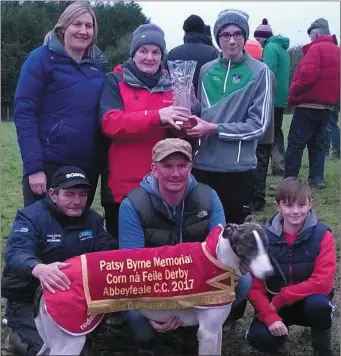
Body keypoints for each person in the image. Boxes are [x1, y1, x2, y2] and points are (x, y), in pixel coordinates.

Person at [119, 138, 252, 355]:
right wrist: (155, 313)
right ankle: (152, 340)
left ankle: (203, 325)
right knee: (137, 319)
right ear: (154, 168)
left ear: (190, 167)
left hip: (200, 280)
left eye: (182, 166)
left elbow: (221, 249)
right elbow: (132, 265)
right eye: (167, 166)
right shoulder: (132, 204)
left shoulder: (209, 197)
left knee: (243, 279)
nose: (175, 173)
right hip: (155, 283)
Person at [1, 166, 117, 356]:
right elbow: (16, 253)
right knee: (58, 350)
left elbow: (109, 254)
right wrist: (39, 269)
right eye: (69, 194)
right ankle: (16, 335)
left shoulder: (92, 220)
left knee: (78, 348)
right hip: (29, 300)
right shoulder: (30, 217)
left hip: (73, 298)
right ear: (53, 194)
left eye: (82, 194)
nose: (77, 201)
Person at [99, 23, 196, 237]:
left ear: (162, 56)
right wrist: (157, 116)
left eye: (155, 52)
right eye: (143, 51)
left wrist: (189, 118)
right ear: (133, 54)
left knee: (159, 255)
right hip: (123, 187)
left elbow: (179, 136)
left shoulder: (174, 85)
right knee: (124, 256)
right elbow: (111, 123)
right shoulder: (115, 81)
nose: (149, 57)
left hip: (165, 185)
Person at [14, 2, 107, 207]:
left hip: (85, 167)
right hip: (49, 166)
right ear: (63, 27)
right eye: (77, 24)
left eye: (89, 26)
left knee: (76, 232)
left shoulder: (97, 68)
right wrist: (34, 168)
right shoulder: (40, 59)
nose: (83, 31)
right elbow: (24, 113)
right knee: (42, 230)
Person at [186, 9, 273, 224]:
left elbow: (258, 126)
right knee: (201, 231)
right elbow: (202, 114)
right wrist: (192, 106)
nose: (231, 41)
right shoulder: (206, 70)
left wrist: (214, 129)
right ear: (218, 38)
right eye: (225, 35)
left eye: (237, 34)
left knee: (234, 234)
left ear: (245, 37)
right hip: (202, 165)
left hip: (237, 169)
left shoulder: (260, 72)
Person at [246, 177, 336, 356]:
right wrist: (270, 317)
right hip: (274, 306)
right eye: (288, 205)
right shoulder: (262, 239)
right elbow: (254, 287)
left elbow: (323, 283)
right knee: (259, 337)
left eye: (301, 205)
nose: (295, 211)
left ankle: (322, 349)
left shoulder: (324, 235)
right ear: (277, 206)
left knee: (320, 306)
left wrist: (283, 296)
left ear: (310, 204)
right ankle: (277, 338)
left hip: (306, 302)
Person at [285, 18, 340, 189]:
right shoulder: (337, 51)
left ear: (315, 34)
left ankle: (290, 180)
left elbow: (306, 76)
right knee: (318, 144)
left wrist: (293, 91)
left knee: (295, 143)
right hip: (327, 107)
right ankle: (317, 179)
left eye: (310, 36)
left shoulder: (316, 48)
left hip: (308, 105)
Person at [254, 19, 290, 177]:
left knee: (267, 133)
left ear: (262, 38)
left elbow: (267, 73)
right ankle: (279, 163)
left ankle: (272, 166)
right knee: (277, 131)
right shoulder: (282, 48)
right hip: (281, 97)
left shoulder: (269, 47)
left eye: (257, 39)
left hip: (271, 97)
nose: (257, 43)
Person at [244, 39, 275, 212]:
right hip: (267, 128)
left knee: (254, 163)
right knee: (261, 164)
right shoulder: (268, 72)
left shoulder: (255, 72)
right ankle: (259, 197)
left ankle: (254, 197)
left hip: (255, 128)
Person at [166, 15, 219, 95]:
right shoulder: (213, 53)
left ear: (185, 31)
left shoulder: (172, 53)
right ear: (202, 30)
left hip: (178, 104)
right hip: (207, 102)